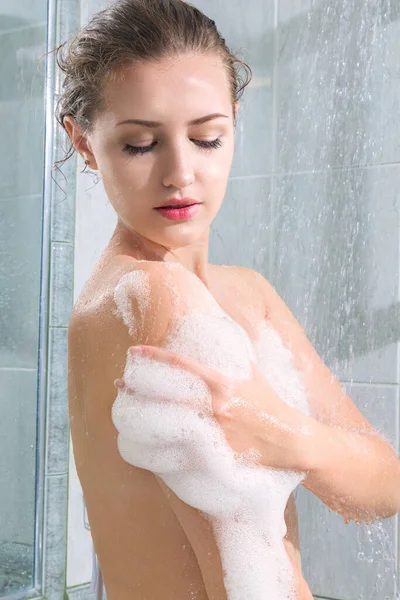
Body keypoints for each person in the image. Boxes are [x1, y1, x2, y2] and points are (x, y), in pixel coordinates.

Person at [59, 1, 400, 598]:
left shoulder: (248, 293)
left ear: (235, 123)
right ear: (84, 143)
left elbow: (384, 486)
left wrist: (284, 434)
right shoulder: (152, 295)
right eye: (141, 145)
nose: (181, 172)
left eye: (206, 137)